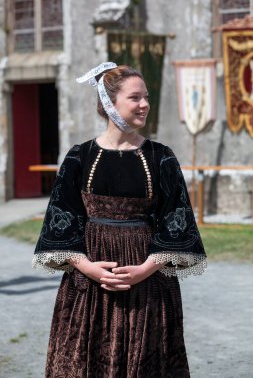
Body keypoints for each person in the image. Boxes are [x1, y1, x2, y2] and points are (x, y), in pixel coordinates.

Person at [33, 62, 207, 378]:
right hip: (89, 283)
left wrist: (144, 270)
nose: (145, 105)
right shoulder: (79, 156)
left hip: (148, 282)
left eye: (146, 97)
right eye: (135, 97)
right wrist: (87, 267)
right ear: (109, 104)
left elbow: (176, 219)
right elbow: (61, 220)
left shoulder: (160, 156)